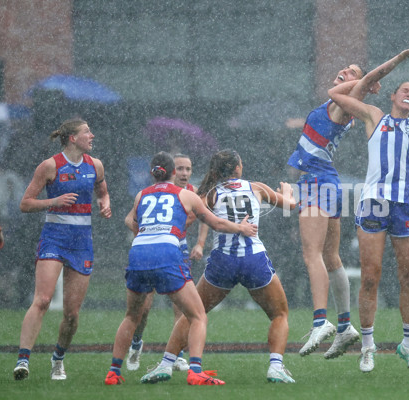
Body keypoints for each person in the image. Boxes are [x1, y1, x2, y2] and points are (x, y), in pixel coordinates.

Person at [328, 26, 409, 374]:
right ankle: (367, 346)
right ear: (394, 96)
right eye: (406, 90)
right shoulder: (373, 116)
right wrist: (385, 68)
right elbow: (335, 94)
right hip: (374, 204)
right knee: (370, 277)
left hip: (405, 205)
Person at [141, 149, 297, 384]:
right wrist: (286, 191)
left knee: (193, 313)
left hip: (223, 261)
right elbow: (290, 206)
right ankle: (275, 367)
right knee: (279, 314)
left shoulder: (211, 194)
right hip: (254, 260)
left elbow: (189, 216)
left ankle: (165, 364)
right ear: (237, 168)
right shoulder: (257, 187)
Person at [104, 151, 257, 386]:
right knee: (197, 315)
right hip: (167, 252)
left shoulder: (141, 195)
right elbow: (215, 222)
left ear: (152, 172)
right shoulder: (186, 195)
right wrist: (241, 228)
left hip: (139, 252)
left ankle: (113, 372)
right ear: (174, 172)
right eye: (180, 169)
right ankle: (195, 371)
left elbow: (133, 223)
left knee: (132, 316)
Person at [286, 56, 392, 358]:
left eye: (352, 72)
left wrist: (367, 80)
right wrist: (365, 81)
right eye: (343, 68)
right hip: (325, 180)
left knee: (312, 255)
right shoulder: (342, 104)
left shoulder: (343, 102)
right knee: (331, 257)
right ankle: (345, 327)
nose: (343, 71)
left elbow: (359, 87)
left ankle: (321, 321)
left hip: (318, 181)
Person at [13, 118, 112, 381]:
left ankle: (58, 358)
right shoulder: (50, 165)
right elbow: (25, 203)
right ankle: (23, 360)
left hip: (82, 243)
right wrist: (54, 200)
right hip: (54, 239)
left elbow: (102, 191)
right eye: (86, 132)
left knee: (71, 315)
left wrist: (104, 203)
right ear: (72, 138)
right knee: (43, 300)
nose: (92, 135)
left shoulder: (95, 165)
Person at [125, 154, 199, 372]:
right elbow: (129, 218)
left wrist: (201, 243)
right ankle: (137, 343)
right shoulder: (152, 193)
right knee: (143, 309)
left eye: (188, 169)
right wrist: (144, 234)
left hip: (178, 251)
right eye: (180, 169)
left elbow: (204, 216)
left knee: (181, 307)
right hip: (150, 251)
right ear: (170, 171)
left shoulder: (190, 193)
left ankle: (178, 354)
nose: (184, 173)